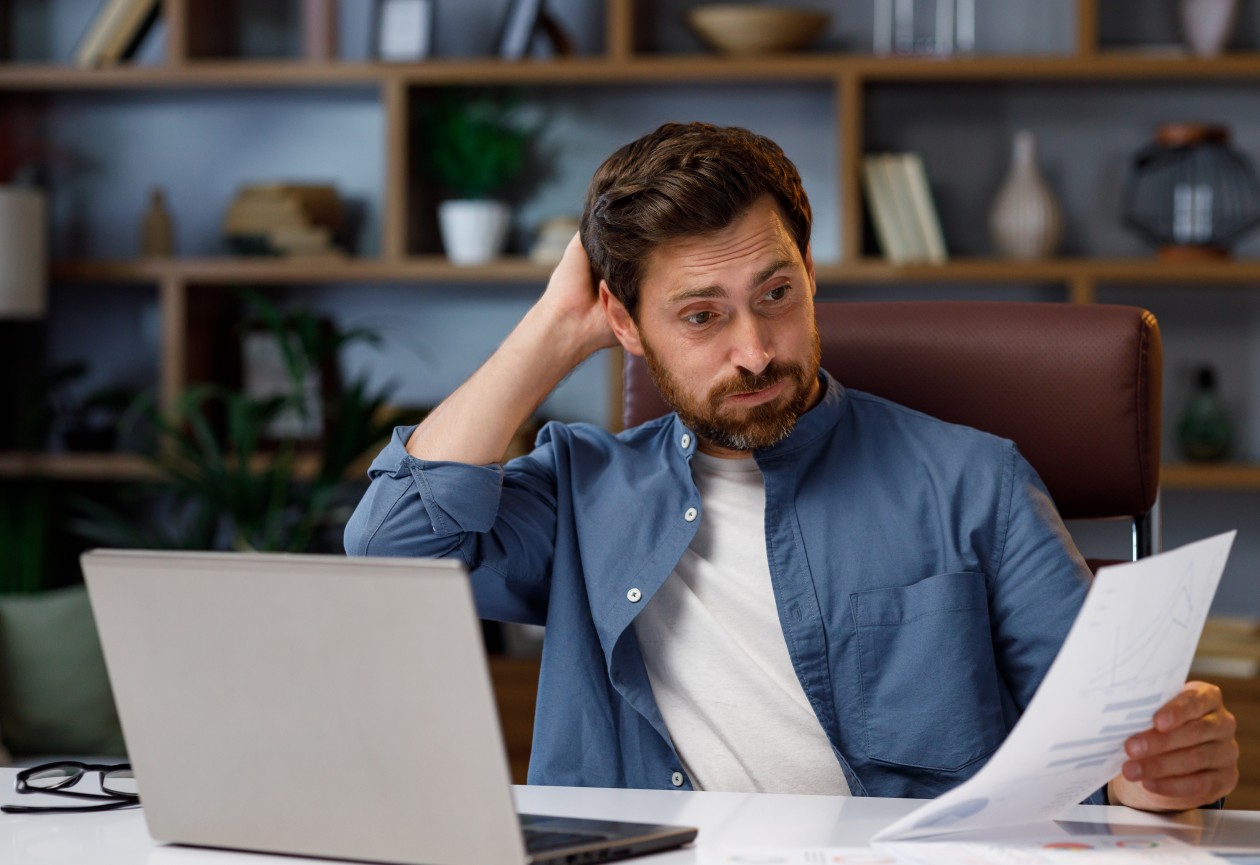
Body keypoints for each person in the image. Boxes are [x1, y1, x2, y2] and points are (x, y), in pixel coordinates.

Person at [344, 122, 1238, 810]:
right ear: (626, 324)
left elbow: (1100, 762)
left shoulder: (978, 483)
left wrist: (1155, 776)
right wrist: (553, 330)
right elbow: (390, 548)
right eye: (701, 316)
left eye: (776, 294)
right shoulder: (581, 489)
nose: (754, 351)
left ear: (810, 272)